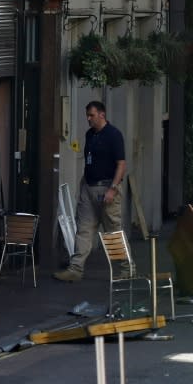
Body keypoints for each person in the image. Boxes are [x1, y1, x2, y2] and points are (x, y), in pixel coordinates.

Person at [54, 101, 126, 282]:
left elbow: (121, 164)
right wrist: (83, 184)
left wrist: (113, 189)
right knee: (84, 229)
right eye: (87, 115)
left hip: (107, 187)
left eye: (91, 115)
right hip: (89, 186)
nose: (88, 119)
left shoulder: (114, 135)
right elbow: (89, 160)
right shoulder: (89, 134)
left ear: (102, 114)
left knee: (113, 231)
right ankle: (76, 269)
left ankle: (126, 268)